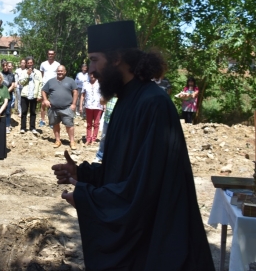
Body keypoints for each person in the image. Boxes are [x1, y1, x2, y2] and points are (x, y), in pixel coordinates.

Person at [51, 20, 215, 270]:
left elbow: (145, 186)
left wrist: (86, 198)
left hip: (156, 240)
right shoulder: (126, 100)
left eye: (95, 60)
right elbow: (123, 169)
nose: (91, 70)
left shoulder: (153, 104)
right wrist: (82, 174)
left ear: (117, 58)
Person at [42, 65, 77, 150]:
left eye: (61, 71)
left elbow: (75, 92)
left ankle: (72, 141)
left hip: (67, 107)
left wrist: (74, 104)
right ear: (56, 72)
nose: (60, 72)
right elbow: (43, 90)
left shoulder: (70, 81)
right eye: (58, 71)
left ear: (65, 72)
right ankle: (58, 140)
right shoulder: (51, 81)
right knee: (55, 125)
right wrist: (45, 100)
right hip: (53, 108)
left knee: (69, 125)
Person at [19, 56, 43, 134]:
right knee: (24, 112)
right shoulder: (23, 72)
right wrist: (27, 75)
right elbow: (21, 83)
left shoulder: (38, 72)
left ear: (33, 63)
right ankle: (23, 128)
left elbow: (40, 84)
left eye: (31, 63)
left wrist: (39, 95)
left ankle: (32, 127)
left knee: (33, 112)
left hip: (34, 95)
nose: (30, 65)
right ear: (26, 64)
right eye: (28, 63)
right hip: (25, 95)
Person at [79, 72, 104, 145]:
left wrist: (104, 105)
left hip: (98, 106)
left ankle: (94, 139)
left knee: (96, 123)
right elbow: (82, 95)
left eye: (93, 74)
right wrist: (80, 106)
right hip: (88, 106)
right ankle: (88, 138)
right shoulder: (85, 84)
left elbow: (103, 94)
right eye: (91, 74)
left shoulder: (100, 83)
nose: (92, 76)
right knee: (89, 124)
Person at [39, 49, 60, 127]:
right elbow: (41, 75)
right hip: (45, 85)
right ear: (47, 54)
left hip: (54, 86)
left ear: (54, 54)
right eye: (49, 54)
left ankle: (52, 121)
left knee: (53, 104)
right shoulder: (43, 64)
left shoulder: (57, 64)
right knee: (43, 103)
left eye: (52, 54)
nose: (50, 55)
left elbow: (59, 75)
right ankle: (42, 120)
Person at [93, 97, 117, 163]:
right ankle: (100, 156)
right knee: (104, 137)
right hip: (107, 119)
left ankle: (113, 157)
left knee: (116, 139)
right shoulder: (109, 92)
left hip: (118, 120)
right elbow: (102, 102)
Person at [2, 61, 15, 134]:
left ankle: (7, 126)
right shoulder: (0, 74)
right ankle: (1, 124)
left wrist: (6, 92)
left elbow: (13, 85)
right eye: (4, 66)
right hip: (0, 95)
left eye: (6, 65)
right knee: (1, 110)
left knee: (7, 111)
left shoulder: (11, 75)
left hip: (9, 95)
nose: (5, 67)